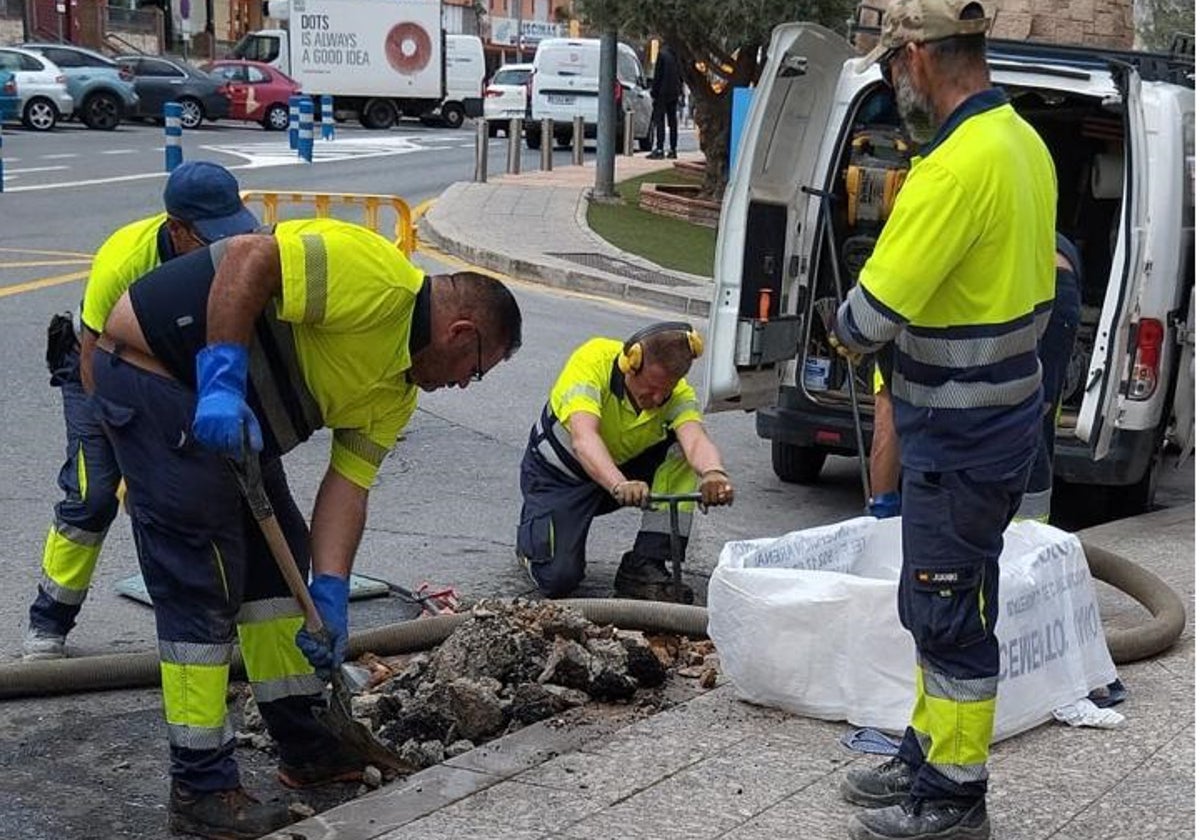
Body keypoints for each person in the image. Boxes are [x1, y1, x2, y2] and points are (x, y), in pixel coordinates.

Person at [91, 218, 523, 839]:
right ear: (461, 332)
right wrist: (219, 382)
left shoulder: (397, 392)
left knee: (280, 580)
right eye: (475, 369)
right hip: (159, 377)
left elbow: (347, 488)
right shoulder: (374, 277)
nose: (462, 384)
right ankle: (200, 787)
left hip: (239, 429)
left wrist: (330, 589)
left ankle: (309, 746)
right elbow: (248, 258)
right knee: (203, 582)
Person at [829, 2, 1057, 839]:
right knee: (943, 600)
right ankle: (925, 756)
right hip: (997, 426)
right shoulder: (1022, 143)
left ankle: (954, 798)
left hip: (956, 437)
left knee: (948, 613)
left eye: (893, 66)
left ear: (920, 56)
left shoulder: (953, 168)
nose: (894, 83)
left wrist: (839, 318)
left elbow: (868, 318)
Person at [23, 160, 260, 661]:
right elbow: (92, 357)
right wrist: (129, 445)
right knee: (93, 494)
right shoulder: (126, 257)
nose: (222, 246)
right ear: (176, 229)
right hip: (102, 369)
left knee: (211, 492)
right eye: (208, 237)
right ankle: (48, 621)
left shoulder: (240, 249)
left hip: (181, 370)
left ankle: (226, 619)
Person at [515, 322, 734, 604]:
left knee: (679, 450)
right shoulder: (592, 363)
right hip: (559, 478)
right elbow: (584, 438)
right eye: (650, 389)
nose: (656, 400)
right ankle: (531, 543)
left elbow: (694, 439)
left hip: (617, 475)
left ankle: (646, 564)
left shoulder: (676, 392)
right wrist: (618, 483)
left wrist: (713, 473)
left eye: (664, 392)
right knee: (558, 580)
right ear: (630, 365)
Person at [1015, 234, 1083, 521]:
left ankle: (1027, 529)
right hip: (1050, 274)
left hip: (1043, 277)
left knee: (1031, 414)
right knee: (1037, 414)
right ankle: (1030, 529)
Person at [648, 43, 683, 160]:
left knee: (660, 121)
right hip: (674, 92)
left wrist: (654, 92)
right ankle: (673, 149)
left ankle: (659, 148)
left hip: (662, 93)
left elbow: (658, 76)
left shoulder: (662, 55)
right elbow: (681, 76)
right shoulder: (677, 56)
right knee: (672, 122)